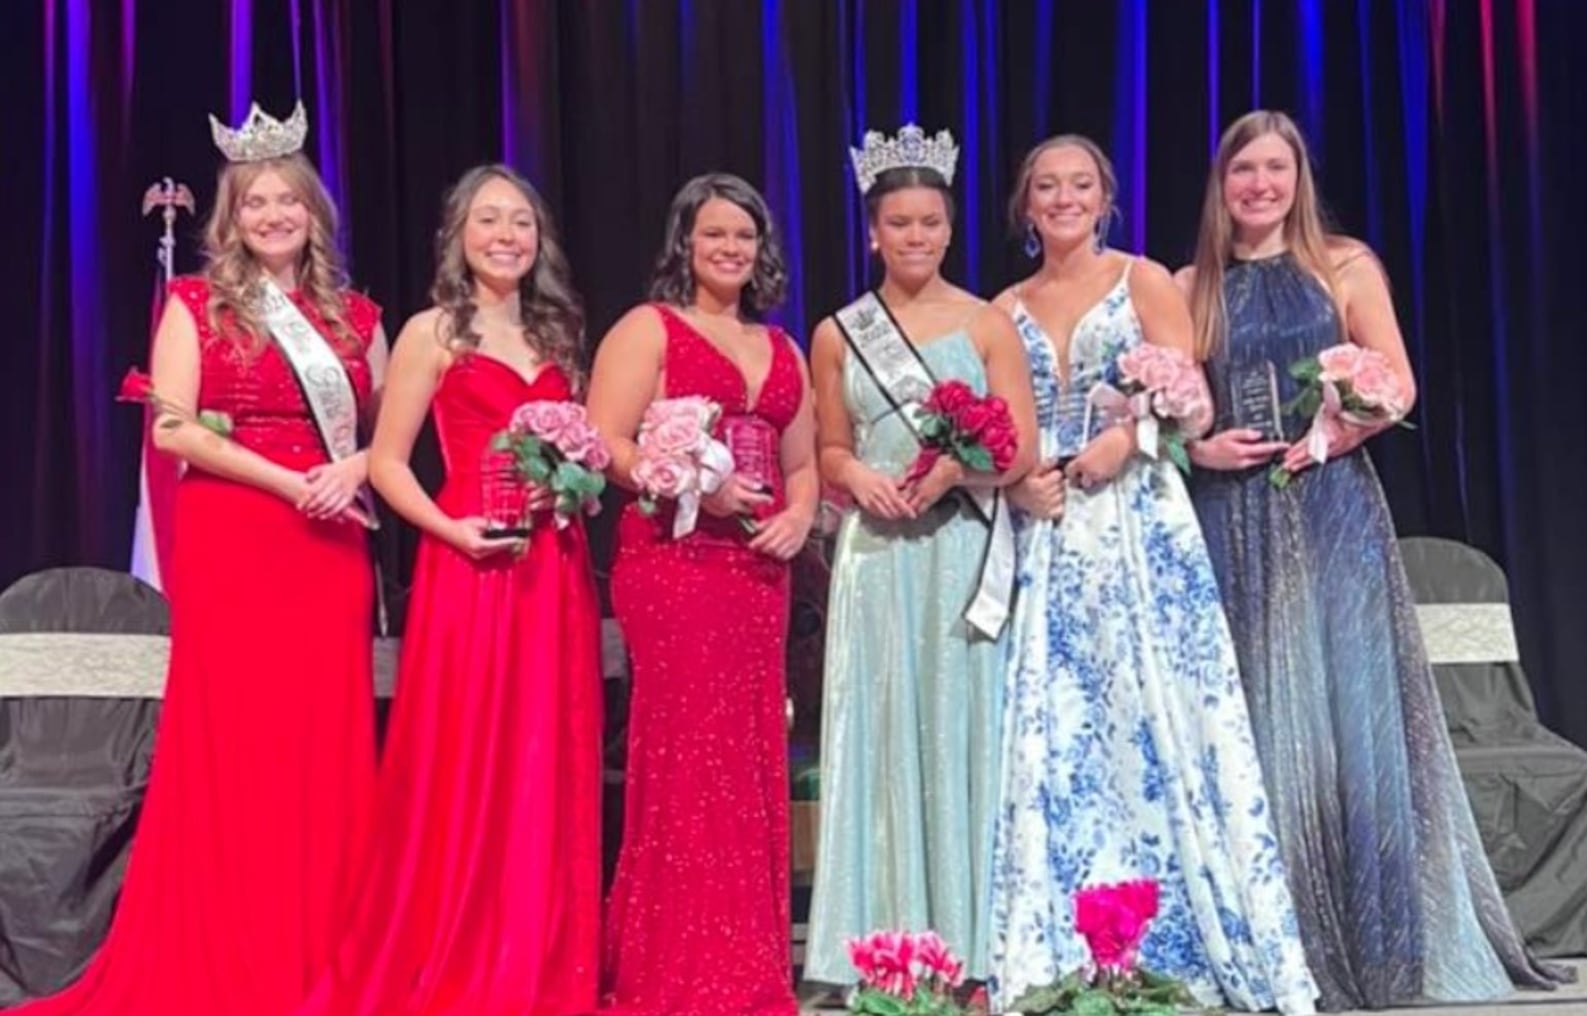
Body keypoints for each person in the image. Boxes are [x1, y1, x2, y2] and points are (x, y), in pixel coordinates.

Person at [1180, 109, 1570, 1010]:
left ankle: (1376, 940)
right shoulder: (1190, 281)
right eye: (1244, 172)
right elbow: (1168, 411)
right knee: (1254, 714)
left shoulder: (1344, 265)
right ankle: (1272, 938)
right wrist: (1197, 452)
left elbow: (1394, 381)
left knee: (1349, 710)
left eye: (1276, 170)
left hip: (1329, 507)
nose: (1260, 188)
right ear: (1222, 183)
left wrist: (1329, 433)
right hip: (1230, 514)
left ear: (1297, 178)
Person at [15, 101, 383, 1015]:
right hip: (238, 534)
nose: (271, 217)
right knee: (237, 742)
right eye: (254, 202)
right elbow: (175, 429)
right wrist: (291, 480)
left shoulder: (360, 316)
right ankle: (234, 944)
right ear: (231, 215)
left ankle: (323, 945)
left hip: (330, 541)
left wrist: (349, 469)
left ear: (312, 212)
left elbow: (391, 434)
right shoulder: (194, 305)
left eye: (286, 201)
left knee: (321, 741)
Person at [986, 134, 1316, 1013]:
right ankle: (1068, 936)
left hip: (1136, 521)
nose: (1063, 199)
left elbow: (1193, 400)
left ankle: (1170, 927)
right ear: (1025, 206)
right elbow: (1002, 425)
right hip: (1049, 530)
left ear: (1106, 199)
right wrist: (1019, 480)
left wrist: (1124, 437)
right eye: (1046, 187)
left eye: (1080, 185)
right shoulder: (1003, 304)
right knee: (1062, 725)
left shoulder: (1143, 281)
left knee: (1156, 714)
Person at [298, 164, 601, 1015]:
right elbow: (389, 464)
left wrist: (571, 486)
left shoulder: (561, 332)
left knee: (548, 752)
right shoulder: (434, 332)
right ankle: (462, 944)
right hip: (467, 557)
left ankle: (542, 952)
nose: (506, 236)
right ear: (458, 236)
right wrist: (449, 530)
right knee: (470, 754)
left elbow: (583, 452)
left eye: (521, 223)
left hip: (553, 562)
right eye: (488, 221)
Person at [802, 125, 1038, 988]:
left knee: (960, 731)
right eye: (898, 223)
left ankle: (971, 946)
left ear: (948, 228)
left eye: (929, 223)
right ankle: (880, 945)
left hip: (959, 551)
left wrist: (951, 470)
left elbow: (1017, 451)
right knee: (881, 731)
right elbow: (828, 447)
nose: (914, 237)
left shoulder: (987, 324)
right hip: (876, 556)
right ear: (873, 232)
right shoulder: (839, 333)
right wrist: (856, 473)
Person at [587, 172, 817, 1016]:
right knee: (688, 757)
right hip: (676, 562)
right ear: (685, 242)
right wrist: (691, 484)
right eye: (714, 234)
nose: (730, 249)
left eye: (744, 237)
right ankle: (676, 969)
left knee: (752, 754)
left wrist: (798, 513)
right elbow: (606, 441)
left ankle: (748, 965)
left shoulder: (783, 347)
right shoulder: (648, 329)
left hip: (760, 568)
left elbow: (804, 458)